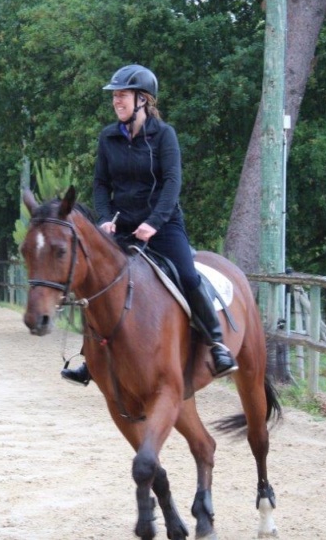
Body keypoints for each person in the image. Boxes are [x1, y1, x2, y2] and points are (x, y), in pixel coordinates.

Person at [61, 64, 238, 386]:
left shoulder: (164, 135)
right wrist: (103, 219)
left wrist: (154, 223)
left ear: (143, 99)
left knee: (186, 274)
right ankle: (90, 357)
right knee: (97, 282)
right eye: (115, 96)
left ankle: (217, 344)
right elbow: (101, 184)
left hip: (164, 225)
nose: (117, 101)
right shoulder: (108, 137)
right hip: (121, 226)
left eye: (123, 95)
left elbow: (172, 183)